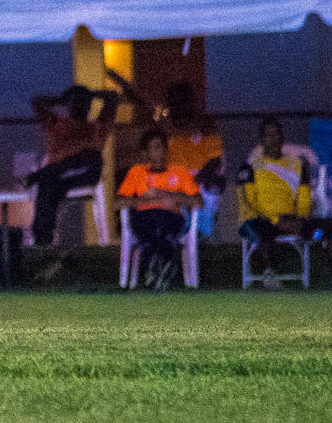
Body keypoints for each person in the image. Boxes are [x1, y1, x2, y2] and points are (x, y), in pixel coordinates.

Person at [238, 116, 332, 288]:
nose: (273, 139)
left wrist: (300, 219)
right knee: (262, 228)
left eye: (276, 134)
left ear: (282, 137)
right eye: (268, 135)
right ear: (262, 139)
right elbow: (250, 201)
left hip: (290, 219)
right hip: (259, 219)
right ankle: (269, 274)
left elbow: (303, 197)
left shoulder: (296, 165)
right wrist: (276, 220)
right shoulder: (250, 167)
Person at [23, 84, 119, 246]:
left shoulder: (97, 127)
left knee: (93, 156)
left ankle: (41, 174)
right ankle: (42, 241)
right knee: (47, 186)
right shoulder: (56, 123)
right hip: (58, 178)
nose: (80, 105)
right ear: (68, 104)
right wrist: (63, 98)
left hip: (83, 173)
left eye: (84, 102)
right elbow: (37, 102)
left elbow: (112, 98)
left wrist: (90, 94)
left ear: (89, 105)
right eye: (76, 102)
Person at [116, 127, 199, 288]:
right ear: (145, 153)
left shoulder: (179, 172)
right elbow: (118, 202)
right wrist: (144, 201)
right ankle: (160, 266)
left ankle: (156, 268)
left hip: (171, 217)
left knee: (163, 225)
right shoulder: (137, 172)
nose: (158, 151)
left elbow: (198, 201)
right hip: (144, 217)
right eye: (153, 147)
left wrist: (173, 197)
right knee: (152, 225)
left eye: (161, 146)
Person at [158, 82, 224, 197]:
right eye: (174, 103)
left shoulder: (205, 127)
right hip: (170, 189)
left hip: (201, 187)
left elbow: (215, 161)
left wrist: (192, 185)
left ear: (191, 104)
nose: (179, 108)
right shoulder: (164, 129)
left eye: (182, 102)